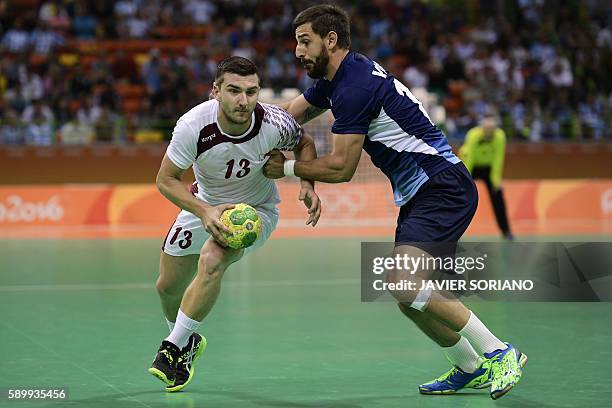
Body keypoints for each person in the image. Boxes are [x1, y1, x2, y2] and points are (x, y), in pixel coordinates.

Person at [263, 5, 526, 400]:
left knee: (405, 282)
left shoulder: (354, 89)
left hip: (441, 187)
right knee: (409, 298)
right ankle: (470, 366)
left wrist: (284, 171)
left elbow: (342, 167)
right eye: (296, 42)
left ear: (330, 40)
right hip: (424, 193)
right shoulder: (338, 78)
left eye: (305, 42)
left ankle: (499, 352)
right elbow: (287, 116)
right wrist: (246, 133)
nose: (297, 52)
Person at [149, 56, 321, 392]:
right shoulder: (192, 126)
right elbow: (166, 180)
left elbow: (305, 144)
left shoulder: (275, 122)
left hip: (256, 210)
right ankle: (187, 342)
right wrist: (203, 211)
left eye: (251, 91)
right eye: (234, 91)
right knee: (166, 288)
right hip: (204, 205)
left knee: (213, 258)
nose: (243, 100)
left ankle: (170, 348)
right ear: (216, 91)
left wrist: (306, 182)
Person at [460, 116, 514, 240]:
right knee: (460, 197)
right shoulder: (473, 135)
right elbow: (470, 159)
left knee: (498, 196)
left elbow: (498, 159)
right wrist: (465, 181)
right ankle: (454, 232)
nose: (489, 131)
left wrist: (496, 181)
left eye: (492, 128)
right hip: (470, 166)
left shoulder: (500, 136)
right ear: (482, 127)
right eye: (487, 128)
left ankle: (506, 231)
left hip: (487, 168)